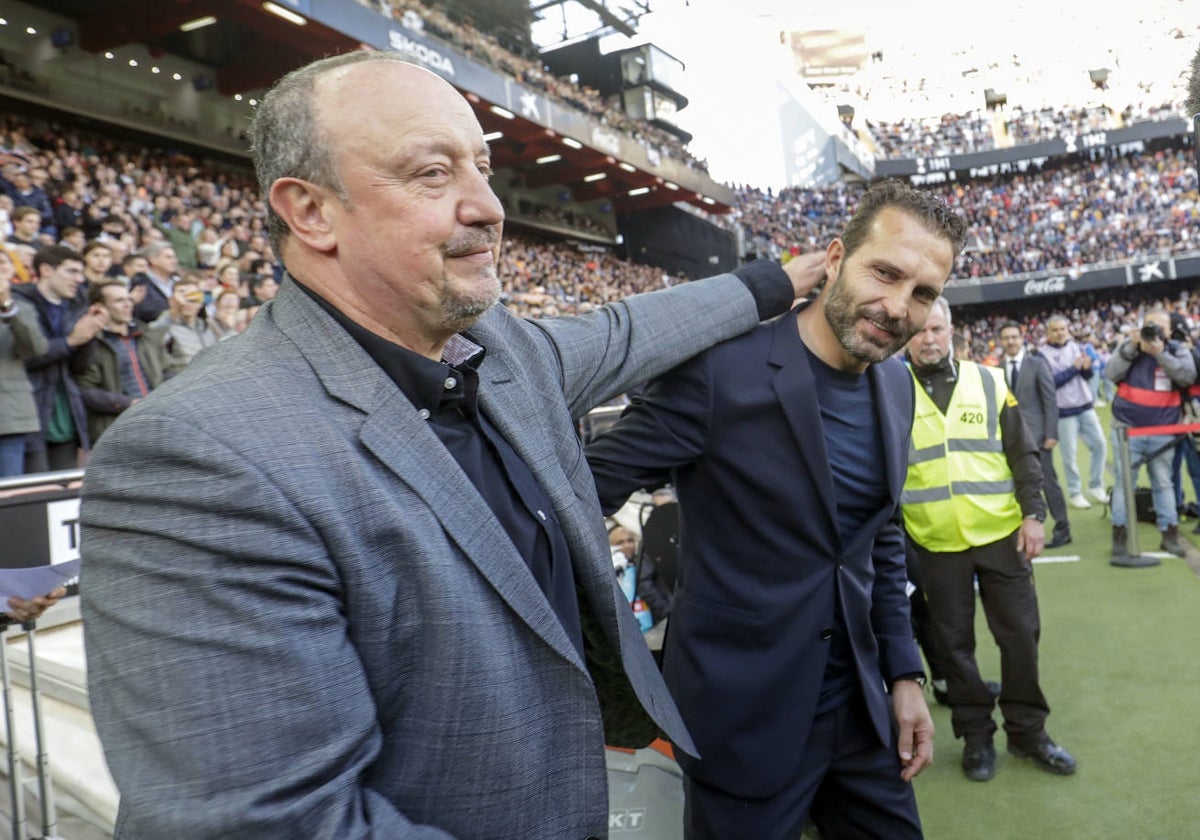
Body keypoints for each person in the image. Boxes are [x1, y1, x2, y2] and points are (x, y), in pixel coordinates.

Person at [78, 50, 820, 840]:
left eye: (484, 167)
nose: (489, 206)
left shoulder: (500, 350)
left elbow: (630, 330)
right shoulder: (201, 460)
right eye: (433, 174)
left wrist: (780, 280)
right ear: (311, 212)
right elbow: (269, 826)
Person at [586, 180, 960, 839]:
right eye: (886, 272)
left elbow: (878, 535)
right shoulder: (718, 371)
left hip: (862, 714)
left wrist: (904, 672)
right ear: (835, 258)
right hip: (742, 718)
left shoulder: (896, 384)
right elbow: (584, 491)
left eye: (923, 293)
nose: (900, 306)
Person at [903, 297, 1076, 784]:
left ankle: (1027, 731)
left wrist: (1034, 516)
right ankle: (976, 736)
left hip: (1002, 535)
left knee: (1020, 637)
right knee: (954, 647)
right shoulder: (890, 388)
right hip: (935, 544)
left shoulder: (989, 380)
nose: (928, 338)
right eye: (918, 330)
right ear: (907, 334)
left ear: (952, 329)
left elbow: (1024, 456)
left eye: (936, 328)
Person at [1105, 308, 1196, 565]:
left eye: (1160, 328)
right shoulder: (1128, 348)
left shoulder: (1177, 349)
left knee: (1163, 483)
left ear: (1168, 330)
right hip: (1127, 429)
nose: (1154, 332)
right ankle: (1120, 537)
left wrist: (1160, 353)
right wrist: (1130, 348)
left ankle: (1170, 535)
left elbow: (1187, 376)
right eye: (1149, 326)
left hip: (1162, 430)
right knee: (1124, 484)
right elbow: (1111, 373)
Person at [12, 244, 107, 473]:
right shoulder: (18, 304)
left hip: (66, 414)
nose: (79, 279)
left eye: (81, 273)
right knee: (35, 497)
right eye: (72, 271)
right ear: (46, 270)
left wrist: (90, 334)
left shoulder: (76, 306)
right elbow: (23, 359)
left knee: (63, 493)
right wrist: (71, 341)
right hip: (28, 413)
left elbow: (81, 367)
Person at [998, 320, 1071, 548]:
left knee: (1048, 482)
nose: (1011, 341)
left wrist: (1051, 433)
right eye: (1006, 338)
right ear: (1001, 342)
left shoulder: (1037, 364)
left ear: (1022, 339)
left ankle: (1062, 527)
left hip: (1039, 437)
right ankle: (1021, 529)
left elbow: (1050, 400)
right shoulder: (995, 370)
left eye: (1014, 337)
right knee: (1014, 485)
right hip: (1008, 439)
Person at [75, 280, 165, 444]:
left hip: (159, 422)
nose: (127, 305)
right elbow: (86, 390)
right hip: (118, 429)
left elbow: (168, 370)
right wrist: (129, 403)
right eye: (119, 301)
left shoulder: (147, 335)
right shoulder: (91, 343)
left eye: (128, 299)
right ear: (99, 307)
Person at [1040, 314, 1108, 509]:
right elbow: (1050, 383)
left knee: (1100, 445)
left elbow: (1086, 375)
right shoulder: (1042, 354)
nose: (1060, 333)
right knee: (1069, 456)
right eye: (1055, 329)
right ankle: (1075, 492)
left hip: (1085, 405)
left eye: (1063, 328)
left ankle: (1096, 485)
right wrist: (1074, 368)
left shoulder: (1077, 347)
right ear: (1048, 333)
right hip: (1063, 411)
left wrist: (1086, 368)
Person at [0, 248, 46, 476]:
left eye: (2, 262)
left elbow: (35, 348)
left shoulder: (22, 307)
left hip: (9, 414)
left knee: (9, 495)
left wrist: (7, 307)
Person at [129, 242, 178, 323]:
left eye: (174, 257)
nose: (174, 261)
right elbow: (145, 310)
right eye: (168, 257)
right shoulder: (140, 282)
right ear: (153, 260)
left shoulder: (177, 282)